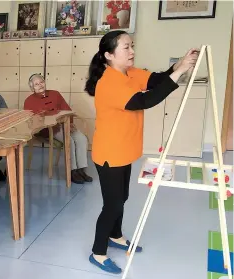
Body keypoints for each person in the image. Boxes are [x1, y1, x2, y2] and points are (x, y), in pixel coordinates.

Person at [84, 30, 198, 274]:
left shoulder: (130, 73)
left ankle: (115, 236)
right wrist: (179, 73)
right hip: (109, 154)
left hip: (124, 149)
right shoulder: (109, 82)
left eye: (131, 46)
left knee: (121, 198)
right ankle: (98, 252)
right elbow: (144, 101)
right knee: (112, 205)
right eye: (126, 47)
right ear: (109, 55)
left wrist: (178, 65)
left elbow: (156, 80)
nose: (132, 51)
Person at [24, 73, 92, 184]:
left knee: (81, 138)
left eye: (41, 82)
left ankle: (81, 170)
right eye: (36, 84)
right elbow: (32, 121)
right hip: (47, 129)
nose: (40, 85)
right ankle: (72, 172)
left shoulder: (55, 94)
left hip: (63, 124)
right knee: (69, 141)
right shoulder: (29, 101)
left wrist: (69, 123)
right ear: (32, 88)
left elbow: (66, 110)